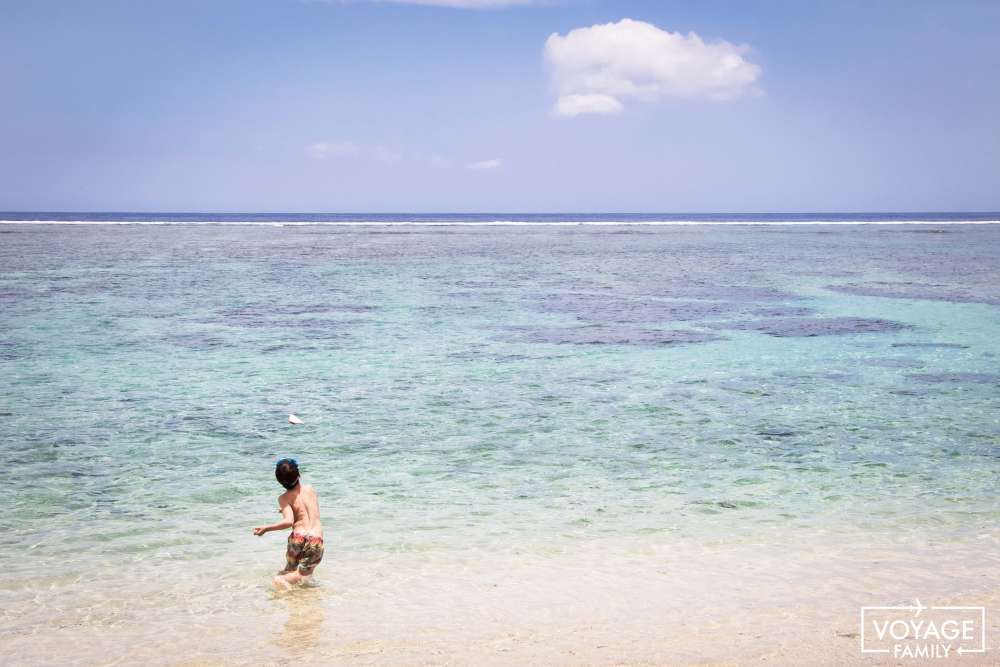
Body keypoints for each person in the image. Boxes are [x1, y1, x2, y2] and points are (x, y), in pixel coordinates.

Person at [253, 458, 324, 589]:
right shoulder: (310, 489)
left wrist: (266, 528)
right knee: (303, 574)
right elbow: (306, 508)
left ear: (280, 482)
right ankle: (285, 584)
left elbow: (289, 521)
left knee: (290, 569)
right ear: (299, 474)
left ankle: (283, 587)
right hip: (315, 539)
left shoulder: (284, 498)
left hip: (297, 537)